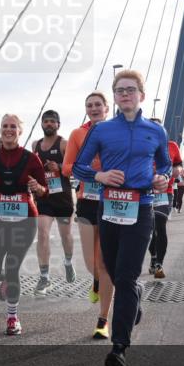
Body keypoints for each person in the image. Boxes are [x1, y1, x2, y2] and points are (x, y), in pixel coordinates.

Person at [74, 69, 179, 366]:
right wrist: (99, 175)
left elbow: (165, 164)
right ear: (115, 97)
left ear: (141, 96)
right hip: (109, 208)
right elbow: (79, 166)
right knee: (115, 273)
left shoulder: (156, 131)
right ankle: (134, 301)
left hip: (142, 207)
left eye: (130, 90)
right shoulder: (102, 130)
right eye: (119, 91)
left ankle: (119, 347)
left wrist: (161, 178)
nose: (124, 95)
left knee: (127, 277)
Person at [0, 114, 47, 335]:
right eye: (5, 126)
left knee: (14, 266)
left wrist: (37, 188)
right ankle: (5, 278)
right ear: (0, 129)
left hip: (25, 220)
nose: (9, 130)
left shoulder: (31, 159)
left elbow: (44, 190)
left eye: (13, 127)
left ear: (20, 131)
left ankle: (12, 317)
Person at [63, 92, 115, 339]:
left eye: (98, 105)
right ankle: (95, 281)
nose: (94, 108)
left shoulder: (118, 132)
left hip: (113, 202)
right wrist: (92, 171)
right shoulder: (77, 134)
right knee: (90, 262)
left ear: (107, 108)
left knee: (105, 262)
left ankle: (103, 320)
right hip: (86, 201)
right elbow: (66, 167)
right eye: (89, 105)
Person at [32, 110, 76, 295]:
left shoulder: (64, 144)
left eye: (52, 122)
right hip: (44, 199)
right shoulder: (35, 145)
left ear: (58, 124)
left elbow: (75, 169)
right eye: (46, 121)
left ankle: (68, 262)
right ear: (41, 124)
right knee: (42, 233)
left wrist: (58, 167)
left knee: (66, 236)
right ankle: (44, 277)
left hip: (63, 199)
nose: (49, 124)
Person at [146, 119, 181, 280]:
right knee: (150, 230)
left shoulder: (172, 146)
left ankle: (159, 263)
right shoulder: (141, 144)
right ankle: (153, 257)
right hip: (144, 192)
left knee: (160, 226)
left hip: (164, 192)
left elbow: (178, 165)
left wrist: (176, 171)